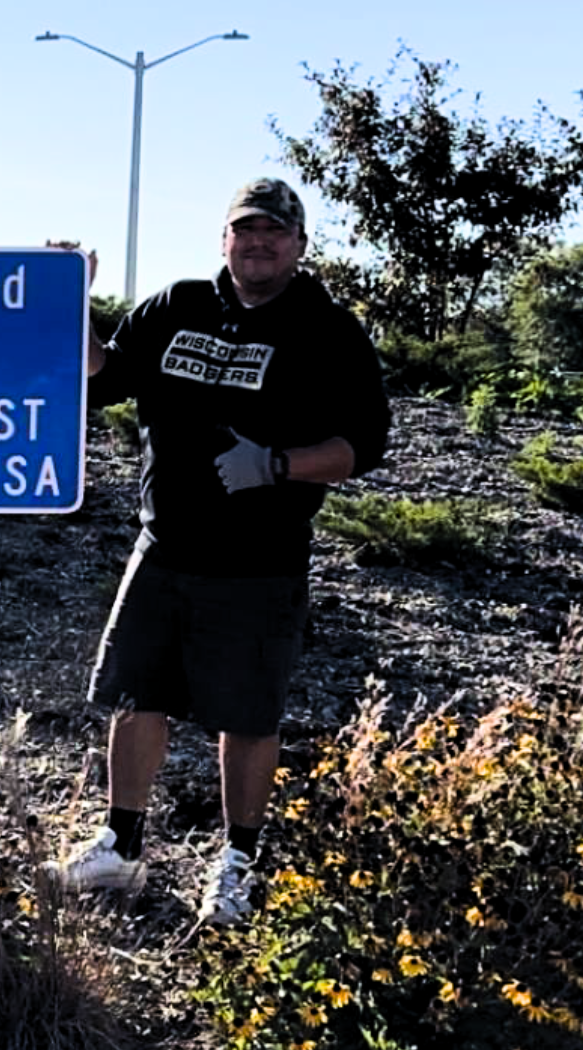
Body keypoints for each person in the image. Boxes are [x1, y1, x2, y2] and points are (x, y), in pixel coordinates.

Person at [42, 178, 391, 925]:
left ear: (298, 244)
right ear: (223, 239)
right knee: (137, 699)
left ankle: (237, 861)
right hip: (163, 548)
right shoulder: (177, 308)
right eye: (245, 229)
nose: (258, 242)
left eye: (274, 231)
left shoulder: (327, 330)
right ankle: (122, 845)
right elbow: (104, 378)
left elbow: (364, 445)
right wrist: (67, 303)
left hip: (258, 564)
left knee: (247, 719)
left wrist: (276, 465)